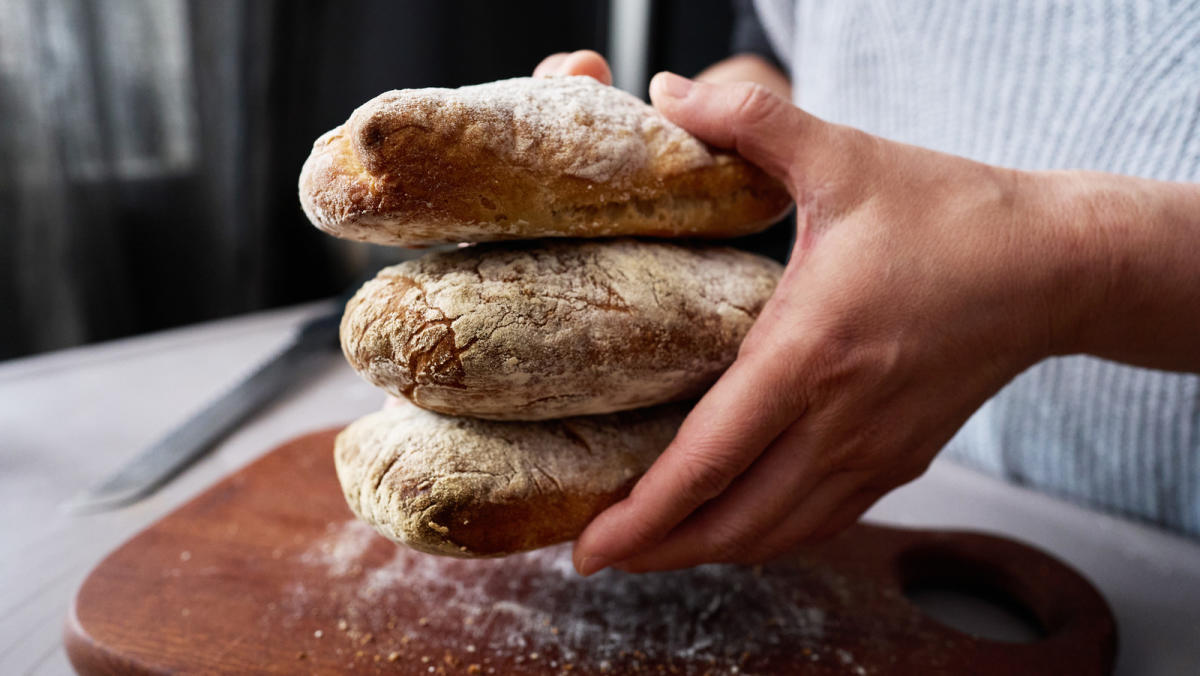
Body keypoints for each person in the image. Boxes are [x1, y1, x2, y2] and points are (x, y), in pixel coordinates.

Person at [530, 3, 1200, 577]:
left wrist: (1073, 261)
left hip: (1168, 551)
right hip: (869, 473)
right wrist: (672, 147)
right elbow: (788, 43)